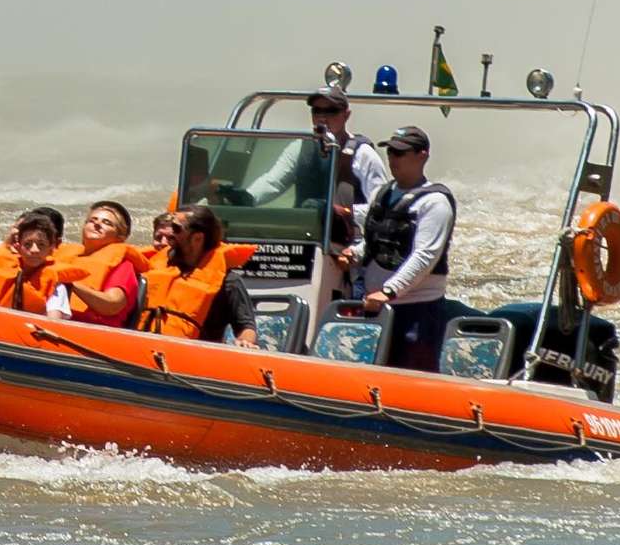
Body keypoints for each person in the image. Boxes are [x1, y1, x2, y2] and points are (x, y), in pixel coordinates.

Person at [340, 125, 456, 371]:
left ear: (422, 155)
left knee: (412, 377)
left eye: (400, 153)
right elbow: (375, 239)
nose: (393, 158)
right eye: (391, 152)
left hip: (416, 311)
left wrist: (389, 291)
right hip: (375, 307)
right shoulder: (384, 193)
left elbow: (425, 256)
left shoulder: (435, 203)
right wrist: (356, 254)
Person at [229, 87, 388, 210]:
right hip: (304, 236)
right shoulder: (299, 147)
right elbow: (274, 181)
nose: (322, 117)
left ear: (346, 115)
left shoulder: (363, 154)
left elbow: (378, 208)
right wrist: (247, 197)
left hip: (348, 242)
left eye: (331, 111)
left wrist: (332, 211)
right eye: (316, 110)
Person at [138, 205, 259, 347]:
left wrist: (245, 342)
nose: (170, 233)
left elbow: (246, 327)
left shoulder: (229, 282)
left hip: (194, 356)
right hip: (145, 348)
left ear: (197, 238)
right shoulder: (155, 266)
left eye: (177, 228)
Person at [50, 199, 146, 327]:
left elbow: (112, 305)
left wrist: (71, 283)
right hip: (54, 320)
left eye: (107, 223)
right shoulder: (62, 253)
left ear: (120, 236)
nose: (97, 224)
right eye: (92, 220)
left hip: (91, 330)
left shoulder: (123, 266)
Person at [0, 210, 87, 314]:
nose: (34, 250)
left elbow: (53, 322)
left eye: (41, 245)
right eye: (27, 244)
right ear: (18, 247)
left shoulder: (56, 287)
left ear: (51, 248)